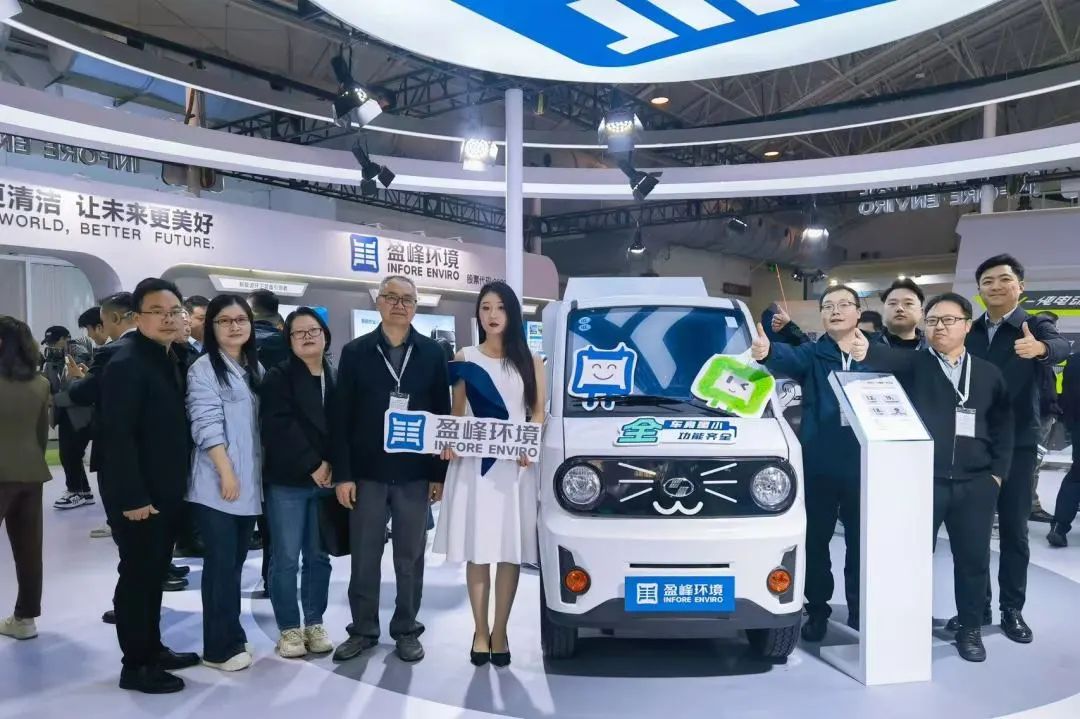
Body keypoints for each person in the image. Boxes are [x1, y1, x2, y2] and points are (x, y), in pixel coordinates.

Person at [863, 293, 1013, 662]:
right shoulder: (912, 365)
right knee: (912, 558)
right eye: (932, 321)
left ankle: (970, 628)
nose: (939, 327)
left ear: (967, 325)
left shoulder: (988, 373)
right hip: (923, 481)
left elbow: (1004, 427)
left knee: (973, 560)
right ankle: (908, 626)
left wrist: (996, 475)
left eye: (948, 320)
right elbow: (872, 354)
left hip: (976, 483)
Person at [331, 275, 451, 664]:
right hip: (367, 472)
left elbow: (441, 415)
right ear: (378, 302)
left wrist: (438, 474)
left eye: (407, 299)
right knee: (364, 557)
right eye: (391, 297)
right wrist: (344, 475)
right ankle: (363, 629)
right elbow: (341, 418)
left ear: (416, 306)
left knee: (410, 557)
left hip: (414, 473)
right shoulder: (356, 352)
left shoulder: (432, 353)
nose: (399, 305)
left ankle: (406, 629)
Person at [951, 254, 1070, 643]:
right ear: (979, 290)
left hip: (1017, 444)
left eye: (1005, 279)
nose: (996, 286)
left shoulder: (1033, 325)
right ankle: (978, 606)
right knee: (973, 532)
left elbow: (1060, 345)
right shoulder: (969, 330)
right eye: (988, 281)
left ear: (1021, 286)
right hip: (973, 444)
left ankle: (1011, 609)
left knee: (1015, 531)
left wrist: (1042, 350)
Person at [433, 282, 545, 667]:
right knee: (478, 550)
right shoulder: (464, 357)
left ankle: (501, 631)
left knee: (510, 551)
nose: (492, 315)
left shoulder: (531, 360)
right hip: (473, 469)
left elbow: (537, 413)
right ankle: (480, 631)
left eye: (500, 308)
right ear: (478, 314)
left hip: (514, 469)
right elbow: (457, 412)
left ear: (511, 313)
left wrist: (529, 443)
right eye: (485, 308)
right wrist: (449, 441)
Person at [751, 284, 870, 641]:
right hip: (819, 465)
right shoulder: (814, 354)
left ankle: (861, 610)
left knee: (862, 544)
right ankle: (817, 609)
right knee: (816, 543)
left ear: (859, 312)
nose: (835, 311)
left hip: (866, 466)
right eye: (828, 306)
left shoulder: (875, 352)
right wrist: (767, 351)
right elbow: (786, 356)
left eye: (844, 304)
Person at [99, 278, 199, 694]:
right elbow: (116, 437)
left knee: (153, 573)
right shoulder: (126, 363)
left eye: (174, 311)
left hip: (166, 490)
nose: (167, 319)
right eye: (157, 311)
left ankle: (152, 649)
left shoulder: (168, 356)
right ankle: (136, 666)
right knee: (138, 579)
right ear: (136, 317)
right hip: (138, 496)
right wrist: (133, 497)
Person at [186, 295, 264, 672]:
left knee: (234, 564)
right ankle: (218, 648)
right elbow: (205, 423)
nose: (234, 327)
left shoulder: (254, 367)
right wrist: (225, 470)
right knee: (220, 566)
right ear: (211, 327)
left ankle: (231, 633)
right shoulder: (203, 369)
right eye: (224, 321)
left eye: (240, 320)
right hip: (218, 484)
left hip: (248, 484)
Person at [260, 308, 336, 659]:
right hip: (288, 481)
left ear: (325, 335)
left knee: (319, 557)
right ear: (288, 340)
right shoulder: (278, 377)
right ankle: (289, 628)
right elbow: (278, 426)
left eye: (313, 330)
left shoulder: (336, 375)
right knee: (287, 558)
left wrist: (334, 467)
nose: (307, 337)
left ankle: (315, 622)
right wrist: (313, 464)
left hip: (328, 481)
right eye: (298, 332)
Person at [0, 316, 51, 642]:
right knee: (29, 550)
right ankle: (25, 619)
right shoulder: (41, 383)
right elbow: (41, 434)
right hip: (31, 474)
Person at [41, 326, 96, 509]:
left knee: (70, 454)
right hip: (64, 414)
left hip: (81, 415)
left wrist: (54, 399)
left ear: (66, 339)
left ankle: (75, 492)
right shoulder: (52, 360)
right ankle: (83, 491)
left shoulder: (81, 356)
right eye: (49, 343)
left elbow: (79, 390)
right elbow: (51, 385)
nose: (51, 346)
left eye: (54, 342)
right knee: (70, 454)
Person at [1030, 311, 1062, 523]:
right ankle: (1030, 505)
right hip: (1038, 418)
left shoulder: (1045, 357)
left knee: (1034, 463)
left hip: (1043, 415)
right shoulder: (1036, 359)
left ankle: (1030, 503)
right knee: (1032, 463)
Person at [1049, 352, 1080, 547]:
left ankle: (1059, 527)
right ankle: (1059, 527)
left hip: (1077, 424)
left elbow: (1065, 394)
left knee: (1076, 475)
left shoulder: (1075, 360)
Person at [878, 278, 927, 349]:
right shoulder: (867, 346)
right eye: (892, 303)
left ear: (921, 312)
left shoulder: (935, 347)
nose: (899, 308)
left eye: (908, 303)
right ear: (884, 310)